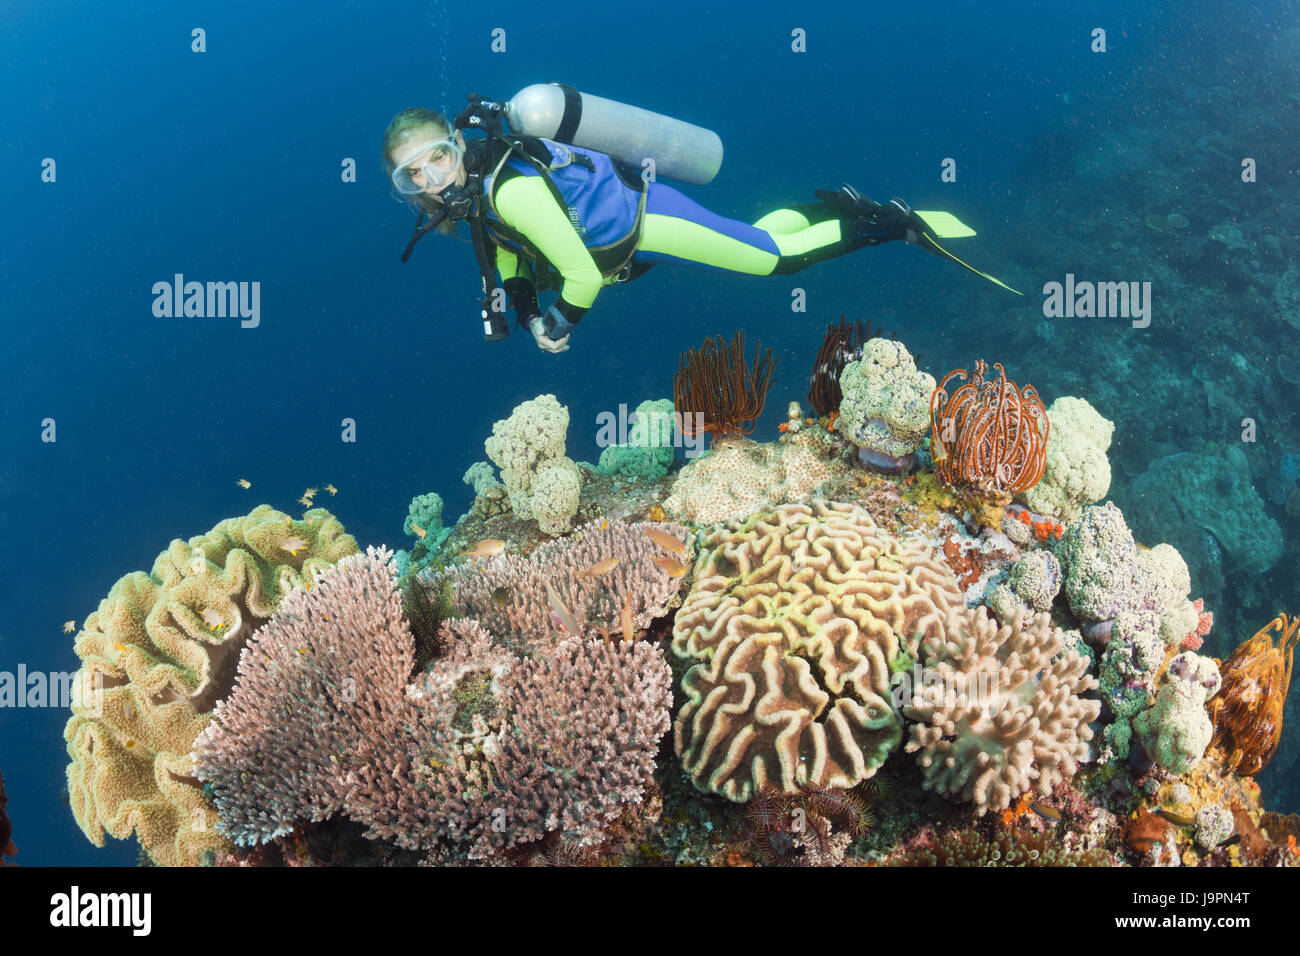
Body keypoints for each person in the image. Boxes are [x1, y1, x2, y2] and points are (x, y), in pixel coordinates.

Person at [383, 106, 1011, 354]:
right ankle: (820, 207)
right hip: (632, 228)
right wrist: (520, 298)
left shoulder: (509, 187)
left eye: (436, 156)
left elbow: (579, 274)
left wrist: (558, 326)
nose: (432, 177)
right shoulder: (476, 196)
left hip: (649, 227)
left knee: (775, 264)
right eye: (413, 176)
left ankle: (892, 222)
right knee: (756, 238)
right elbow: (508, 251)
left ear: (457, 143)